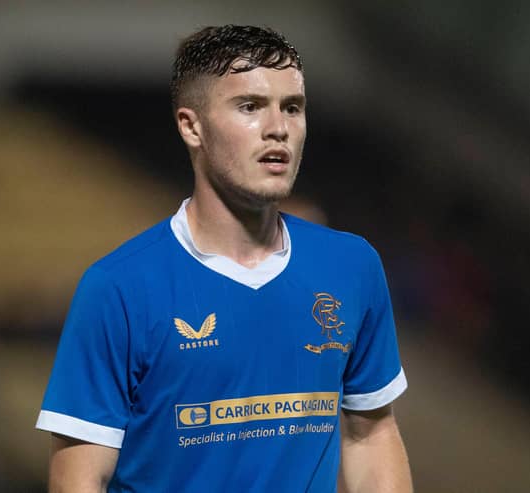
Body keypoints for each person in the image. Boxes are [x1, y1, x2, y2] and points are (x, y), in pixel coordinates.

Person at [36, 24, 412, 492]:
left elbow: (371, 434)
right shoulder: (118, 288)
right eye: (250, 106)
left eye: (292, 108)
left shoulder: (352, 267)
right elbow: (79, 478)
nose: (278, 128)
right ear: (191, 126)